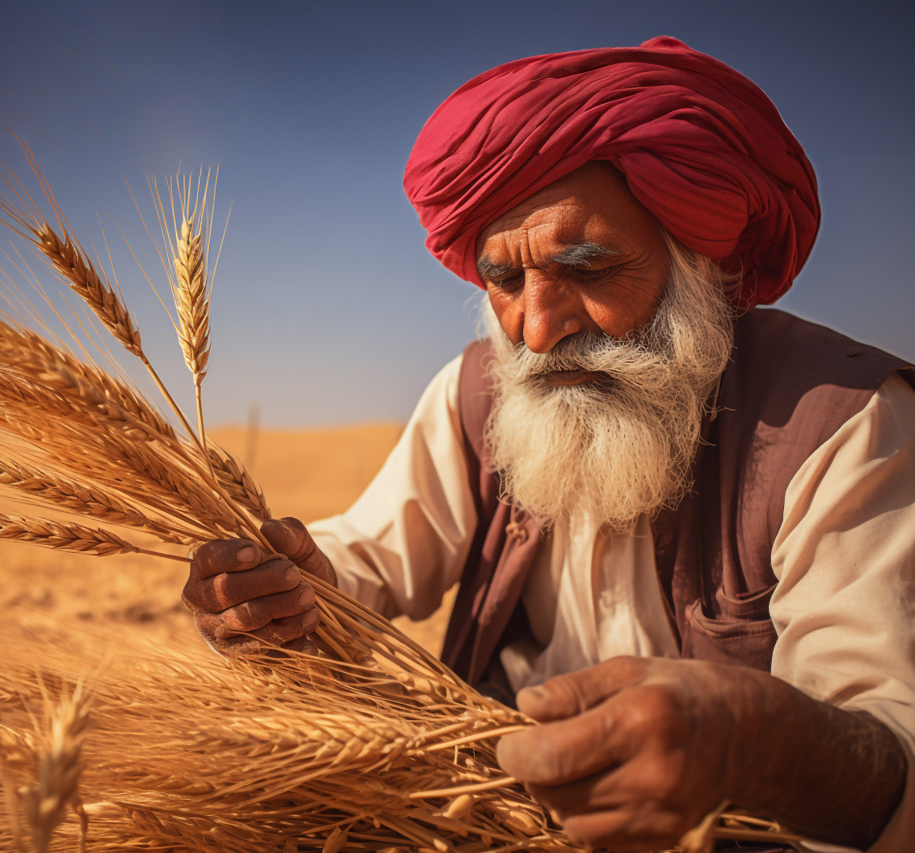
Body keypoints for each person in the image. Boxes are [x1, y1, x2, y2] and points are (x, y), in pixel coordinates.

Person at [182, 37, 914, 851]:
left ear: (700, 266)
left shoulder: (839, 418)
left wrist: (760, 744)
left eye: (591, 269)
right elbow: (370, 556)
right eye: (503, 279)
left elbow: (888, 742)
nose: (535, 329)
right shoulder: (477, 393)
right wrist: (294, 585)